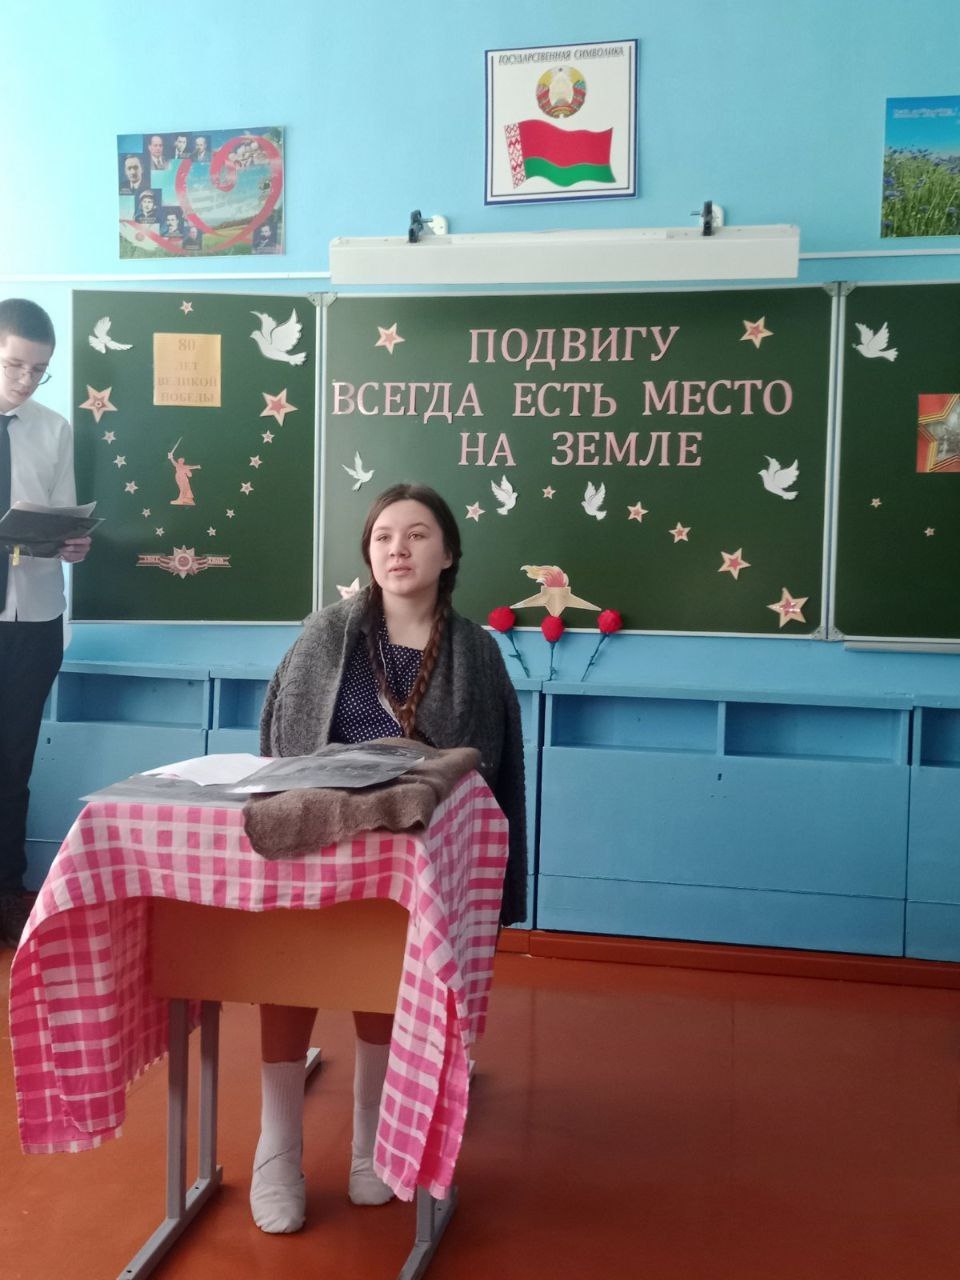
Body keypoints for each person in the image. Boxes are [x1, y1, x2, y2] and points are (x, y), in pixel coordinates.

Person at [250, 482, 526, 1234]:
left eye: (417, 535)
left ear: (449, 553)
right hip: (317, 843)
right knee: (285, 972)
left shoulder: (475, 650)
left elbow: (487, 768)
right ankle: (277, 1145)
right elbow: (280, 742)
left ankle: (373, 1137)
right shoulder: (325, 633)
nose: (398, 550)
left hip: (410, 865)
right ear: (368, 554)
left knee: (384, 978)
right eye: (382, 538)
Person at [0, 299, 91, 949]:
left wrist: (73, 545)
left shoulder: (53, 430)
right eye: (15, 366)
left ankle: (8, 891)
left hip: (31, 619)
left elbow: (62, 519)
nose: (27, 380)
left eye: (39, 370)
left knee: (14, 763)